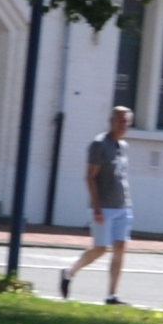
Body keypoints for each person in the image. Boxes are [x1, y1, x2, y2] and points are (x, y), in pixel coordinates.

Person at [63, 106, 134, 304]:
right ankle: (70, 272)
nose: (124, 126)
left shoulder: (124, 146)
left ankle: (112, 295)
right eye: (121, 121)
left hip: (123, 206)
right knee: (100, 249)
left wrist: (126, 203)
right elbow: (90, 177)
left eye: (127, 122)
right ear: (111, 121)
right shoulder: (99, 145)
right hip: (104, 206)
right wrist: (96, 207)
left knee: (120, 247)